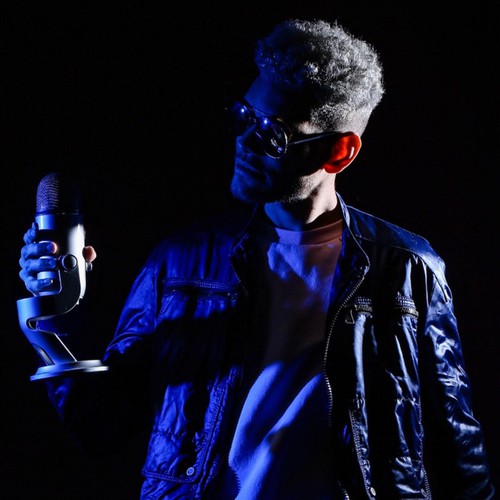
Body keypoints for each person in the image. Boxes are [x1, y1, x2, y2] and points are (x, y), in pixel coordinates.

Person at [18, 18, 494, 499]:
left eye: (272, 134)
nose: (244, 141)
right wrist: (57, 319)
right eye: (243, 117)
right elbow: (101, 425)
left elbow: (458, 444)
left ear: (339, 152)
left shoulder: (409, 268)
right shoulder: (180, 262)